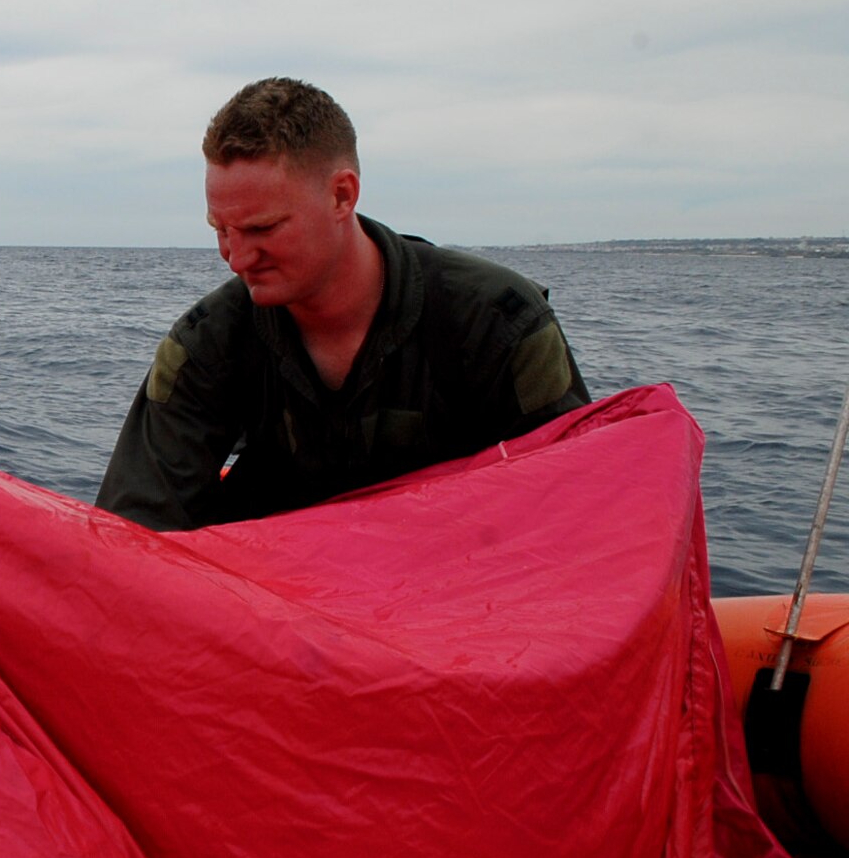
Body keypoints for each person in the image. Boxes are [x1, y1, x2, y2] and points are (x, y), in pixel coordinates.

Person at [97, 77, 589, 532]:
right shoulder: (207, 345)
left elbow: (579, 515)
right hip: (270, 601)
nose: (236, 258)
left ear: (341, 196)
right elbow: (132, 529)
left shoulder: (498, 323)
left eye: (263, 229)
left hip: (459, 593)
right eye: (221, 230)